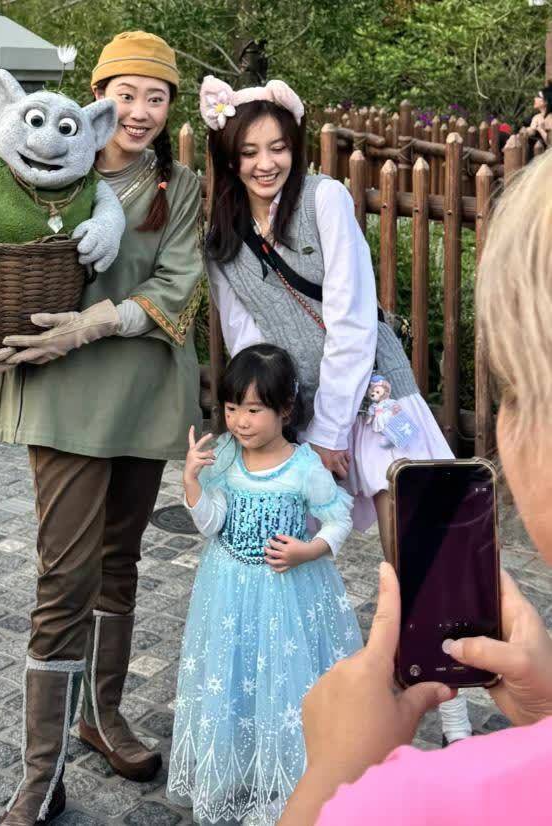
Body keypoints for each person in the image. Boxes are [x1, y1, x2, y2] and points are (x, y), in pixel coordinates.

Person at [0, 31, 203, 825]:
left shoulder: (178, 186)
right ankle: (42, 772)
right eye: (127, 93)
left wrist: (92, 323)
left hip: (143, 395)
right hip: (64, 403)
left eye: (156, 97)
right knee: (63, 577)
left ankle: (101, 717)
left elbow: (180, 284)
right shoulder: (29, 161)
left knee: (120, 564)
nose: (140, 111)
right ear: (98, 97)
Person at [279, 147, 552, 826]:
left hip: (368, 411)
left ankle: (450, 714)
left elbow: (352, 323)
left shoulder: (418, 802)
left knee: (417, 564)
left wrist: (330, 779)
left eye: (512, 392)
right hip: (330, 417)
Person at [200, 75, 472, 748]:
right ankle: (293, 712)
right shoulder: (224, 240)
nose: (266, 163)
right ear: (230, 159)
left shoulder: (323, 200)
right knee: (286, 556)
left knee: (416, 548)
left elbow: (351, 319)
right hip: (299, 412)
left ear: (295, 145)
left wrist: (328, 432)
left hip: (373, 396)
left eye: (278, 147)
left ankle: (455, 721)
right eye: (249, 152)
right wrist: (279, 430)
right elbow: (249, 343)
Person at [166, 344, 361, 825]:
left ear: (285, 410)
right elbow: (212, 523)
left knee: (281, 678)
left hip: (286, 593)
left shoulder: (303, 467)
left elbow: (338, 519)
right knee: (234, 674)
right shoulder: (225, 456)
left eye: (253, 410)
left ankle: (288, 778)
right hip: (228, 588)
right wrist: (192, 482)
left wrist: (308, 550)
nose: (240, 421)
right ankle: (237, 763)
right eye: (232, 408)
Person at [524, 85, 552, 151]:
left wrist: (540, 129)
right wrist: (526, 131)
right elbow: (532, 130)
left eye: (538, 96)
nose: (535, 98)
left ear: (546, 101)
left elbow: (550, 142)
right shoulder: (536, 117)